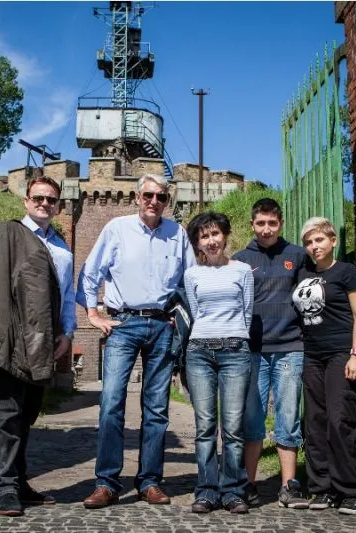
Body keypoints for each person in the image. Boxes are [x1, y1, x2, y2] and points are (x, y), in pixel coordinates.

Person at [0, 176, 76, 517]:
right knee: (6, 413)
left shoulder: (62, 249)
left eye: (51, 199)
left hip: (42, 340)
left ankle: (19, 481)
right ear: (26, 201)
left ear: (58, 205)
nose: (44, 204)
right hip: (8, 337)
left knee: (27, 413)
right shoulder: (7, 234)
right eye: (38, 198)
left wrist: (67, 332)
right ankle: (4, 487)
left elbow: (66, 295)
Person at [77, 174, 195, 509]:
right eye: (148, 195)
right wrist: (93, 313)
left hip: (162, 326)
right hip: (123, 323)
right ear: (136, 197)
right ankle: (106, 483)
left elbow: (190, 280)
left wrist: (180, 314)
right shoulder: (117, 228)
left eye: (161, 197)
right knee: (112, 402)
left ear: (167, 201)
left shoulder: (177, 233)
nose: (154, 201)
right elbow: (90, 272)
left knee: (157, 408)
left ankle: (149, 481)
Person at [233, 198, 310, 509]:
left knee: (288, 418)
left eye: (272, 223)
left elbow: (309, 298)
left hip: (290, 348)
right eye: (261, 223)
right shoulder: (240, 260)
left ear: (281, 224)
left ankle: (289, 486)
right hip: (252, 351)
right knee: (252, 420)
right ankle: (249, 485)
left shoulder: (297, 255)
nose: (266, 229)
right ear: (252, 224)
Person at [291, 216, 356, 515]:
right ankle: (322, 489)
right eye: (309, 242)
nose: (314, 246)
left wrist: (355, 354)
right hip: (312, 355)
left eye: (319, 239)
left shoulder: (346, 272)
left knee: (340, 420)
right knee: (314, 424)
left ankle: (351, 491)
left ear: (333, 240)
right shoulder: (303, 272)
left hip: (340, 354)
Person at [183, 212, 254, 514]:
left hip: (235, 351)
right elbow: (195, 312)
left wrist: (234, 335)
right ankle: (207, 490)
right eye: (204, 236)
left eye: (215, 234)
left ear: (225, 236)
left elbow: (247, 312)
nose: (211, 241)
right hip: (199, 352)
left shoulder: (243, 271)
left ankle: (233, 491)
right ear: (197, 243)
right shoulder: (192, 275)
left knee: (234, 428)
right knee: (205, 427)